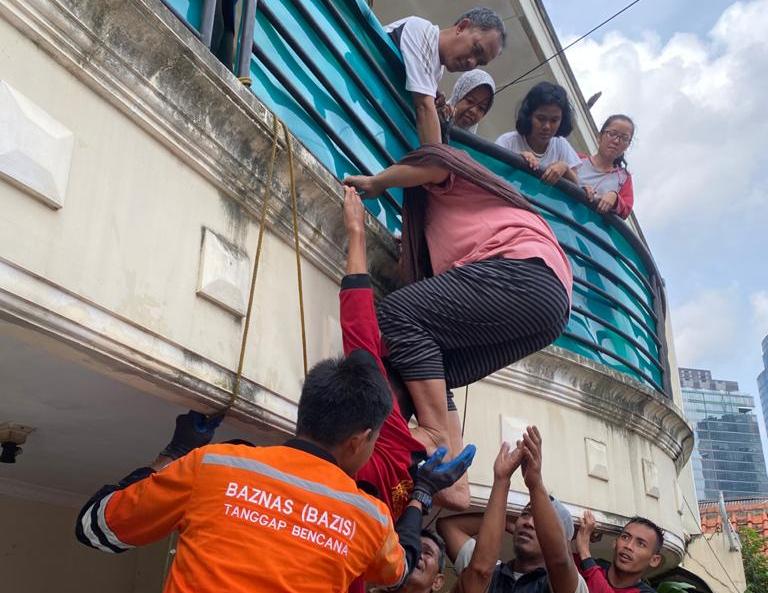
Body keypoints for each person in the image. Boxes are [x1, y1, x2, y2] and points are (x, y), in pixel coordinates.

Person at [75, 345, 475, 592]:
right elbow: (401, 569)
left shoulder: (214, 466)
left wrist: (175, 454)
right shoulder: (368, 518)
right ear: (359, 440)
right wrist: (421, 494)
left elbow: (96, 527)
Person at [344, 144, 572, 506]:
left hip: (527, 276)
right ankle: (448, 460)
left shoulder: (452, 183)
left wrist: (379, 182)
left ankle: (437, 433)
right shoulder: (479, 217)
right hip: (551, 310)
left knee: (399, 312)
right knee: (436, 368)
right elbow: (460, 498)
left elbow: (436, 160)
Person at [438, 427, 587, 593]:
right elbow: (449, 528)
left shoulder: (572, 585)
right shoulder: (490, 569)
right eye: (525, 514)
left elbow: (559, 561)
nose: (528, 523)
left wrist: (535, 484)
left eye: (539, 521)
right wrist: (502, 490)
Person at [385, 7, 505, 145]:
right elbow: (423, 107)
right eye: (476, 49)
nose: (472, 63)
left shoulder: (437, 70)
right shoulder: (421, 31)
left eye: (480, 62)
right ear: (462, 27)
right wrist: (438, 157)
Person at [495, 82, 581, 185]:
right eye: (541, 118)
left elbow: (577, 184)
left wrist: (565, 168)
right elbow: (490, 172)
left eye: (554, 120)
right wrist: (516, 160)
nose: (547, 126)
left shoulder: (561, 145)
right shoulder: (507, 141)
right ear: (529, 116)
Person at [574, 510, 662, 593]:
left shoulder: (588, 564)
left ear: (654, 560)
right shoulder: (591, 565)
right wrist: (576, 534)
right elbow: (565, 561)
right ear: (615, 543)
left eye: (641, 544)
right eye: (625, 537)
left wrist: (584, 551)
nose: (628, 546)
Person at [578, 115, 635, 219]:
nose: (616, 141)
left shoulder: (624, 178)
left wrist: (615, 198)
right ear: (600, 136)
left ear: (628, 145)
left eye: (624, 138)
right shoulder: (577, 159)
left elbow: (626, 210)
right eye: (612, 134)